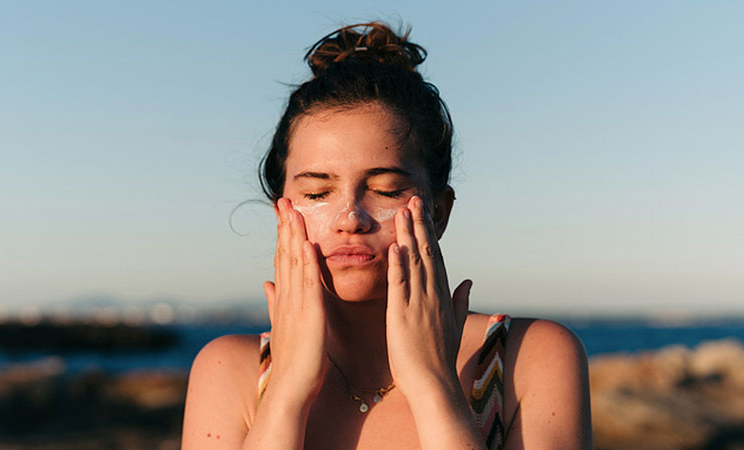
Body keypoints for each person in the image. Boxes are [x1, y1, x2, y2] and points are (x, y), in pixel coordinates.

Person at [181, 21, 592, 450]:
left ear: (438, 210)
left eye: (386, 190)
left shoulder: (529, 358)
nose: (350, 217)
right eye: (318, 192)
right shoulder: (231, 370)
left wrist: (434, 386)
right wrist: (286, 393)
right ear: (280, 214)